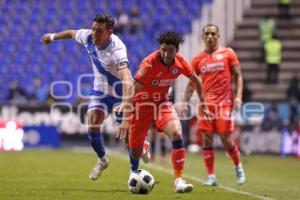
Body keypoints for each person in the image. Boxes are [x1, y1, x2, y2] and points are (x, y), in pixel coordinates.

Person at [41, 14, 149, 181]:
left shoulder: (117, 50)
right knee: (92, 122)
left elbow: (127, 81)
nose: (94, 33)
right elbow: (71, 33)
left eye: (99, 31)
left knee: (129, 137)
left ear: (110, 32)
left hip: (122, 94)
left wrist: (126, 113)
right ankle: (102, 159)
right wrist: (52, 36)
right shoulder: (88, 37)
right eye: (93, 29)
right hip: (101, 90)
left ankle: (134, 171)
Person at [116, 31, 208, 193]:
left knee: (177, 133)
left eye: (170, 51)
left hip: (162, 104)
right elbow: (132, 88)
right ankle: (141, 151)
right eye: (163, 49)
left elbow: (196, 80)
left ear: (177, 51)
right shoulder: (149, 63)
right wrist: (125, 114)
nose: (166, 54)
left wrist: (204, 104)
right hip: (141, 106)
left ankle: (178, 181)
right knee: (135, 151)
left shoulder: (180, 63)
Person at [182, 24, 246, 186]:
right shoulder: (197, 59)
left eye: (213, 34)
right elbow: (192, 84)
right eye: (207, 34)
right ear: (203, 37)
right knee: (207, 138)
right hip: (206, 104)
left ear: (218, 36)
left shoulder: (228, 53)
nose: (210, 36)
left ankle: (238, 166)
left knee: (225, 138)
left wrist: (238, 96)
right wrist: (185, 102)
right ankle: (211, 176)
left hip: (224, 102)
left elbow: (238, 76)